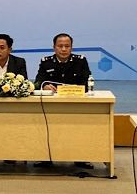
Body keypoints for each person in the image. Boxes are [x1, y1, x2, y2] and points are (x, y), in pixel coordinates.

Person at [34, 33, 93, 169]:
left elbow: (86, 83)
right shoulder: (46, 62)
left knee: (80, 129)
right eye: (60, 46)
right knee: (46, 127)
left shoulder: (80, 61)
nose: (64, 49)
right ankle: (46, 158)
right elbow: (38, 82)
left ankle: (81, 158)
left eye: (67, 46)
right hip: (52, 107)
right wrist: (45, 85)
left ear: (72, 47)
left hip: (75, 105)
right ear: (54, 47)